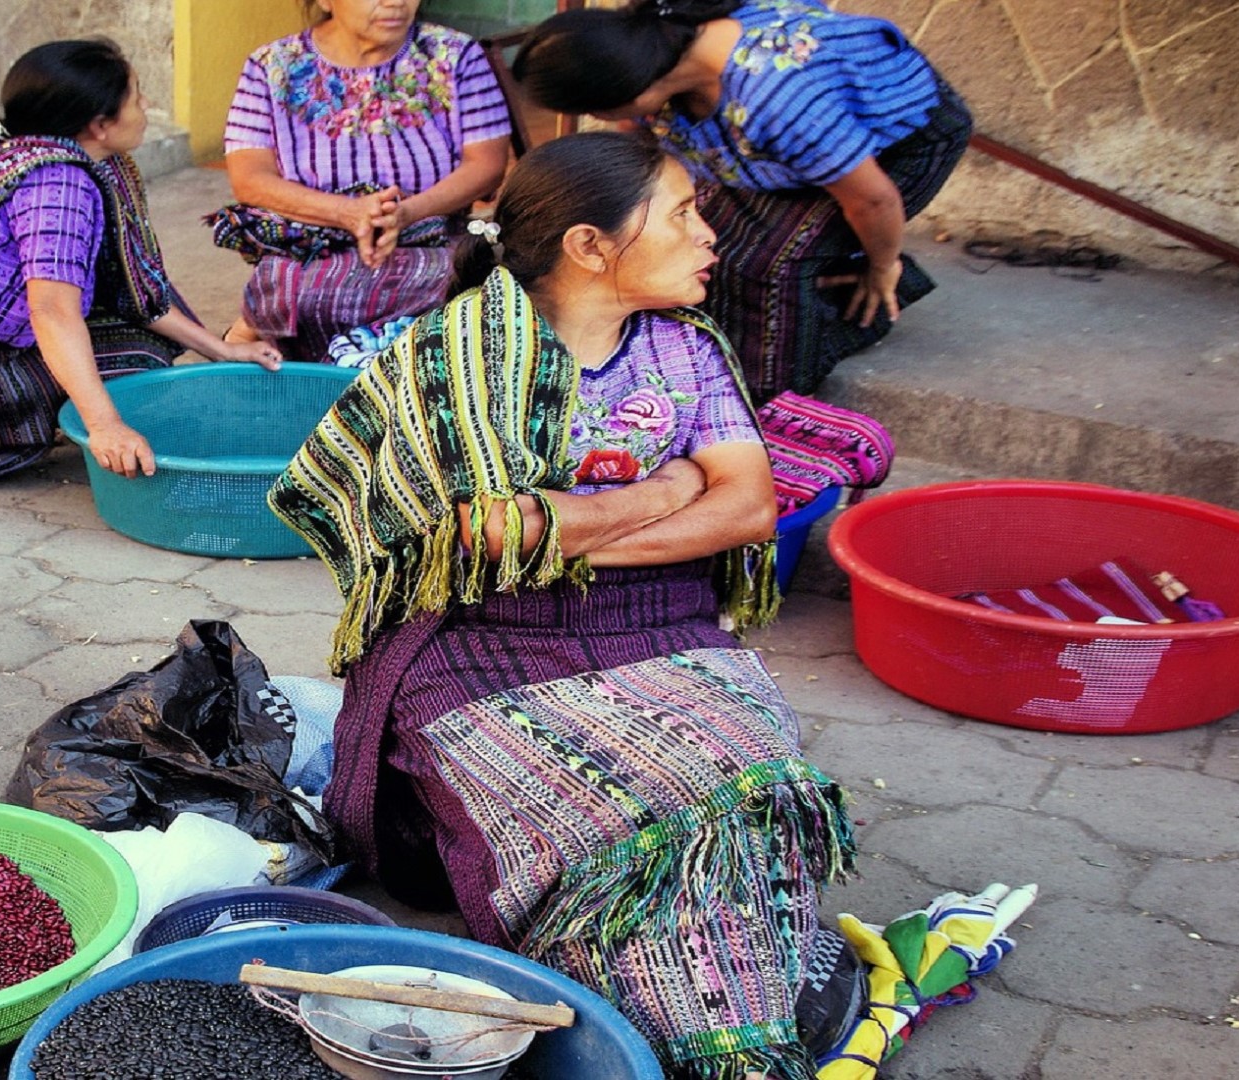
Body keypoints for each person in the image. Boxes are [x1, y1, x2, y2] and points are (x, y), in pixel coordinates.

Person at [270, 131, 855, 1080]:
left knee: (747, 780)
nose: (711, 237)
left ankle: (718, 1008)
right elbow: (491, 540)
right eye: (681, 213)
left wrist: (572, 526)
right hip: (479, 637)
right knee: (602, 814)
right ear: (590, 245)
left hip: (659, 620)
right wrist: (667, 492)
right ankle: (702, 1010)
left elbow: (746, 507)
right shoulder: (458, 351)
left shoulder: (686, 346)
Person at [0, 39, 281, 494]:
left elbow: (139, 291)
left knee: (143, 312)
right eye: (138, 96)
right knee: (138, 359)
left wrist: (223, 352)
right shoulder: (58, 184)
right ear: (100, 125)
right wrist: (106, 426)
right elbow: (53, 312)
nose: (147, 105)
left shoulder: (44, 151)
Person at [512, 0, 973, 401]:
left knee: (769, 262)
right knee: (705, 239)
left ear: (629, 90)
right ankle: (720, 351)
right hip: (796, 145)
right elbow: (650, 163)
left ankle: (773, 395)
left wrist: (881, 263)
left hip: (894, 147)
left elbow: (872, 200)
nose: (597, 119)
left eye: (594, 111)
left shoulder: (778, 97)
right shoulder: (656, 51)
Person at [214, 0, 513, 362]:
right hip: (314, 239)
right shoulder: (271, 65)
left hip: (429, 232)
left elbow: (487, 164)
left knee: (459, 289)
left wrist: (406, 213)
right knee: (295, 293)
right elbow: (250, 178)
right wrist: (348, 212)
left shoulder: (455, 55)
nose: (396, 2)